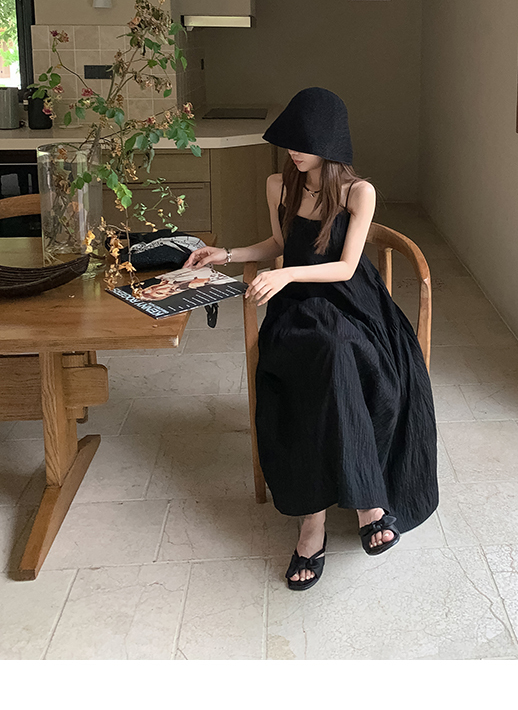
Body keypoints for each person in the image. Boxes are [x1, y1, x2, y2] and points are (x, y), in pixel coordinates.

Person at [184, 87, 438, 590]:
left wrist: (285, 274)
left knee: (338, 351)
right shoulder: (278, 185)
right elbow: (280, 243)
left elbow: (345, 267)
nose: (294, 152)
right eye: (289, 142)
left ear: (330, 143)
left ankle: (333, 514)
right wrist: (227, 254)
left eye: (304, 144)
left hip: (353, 302)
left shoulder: (358, 192)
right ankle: (338, 513)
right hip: (300, 306)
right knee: (322, 355)